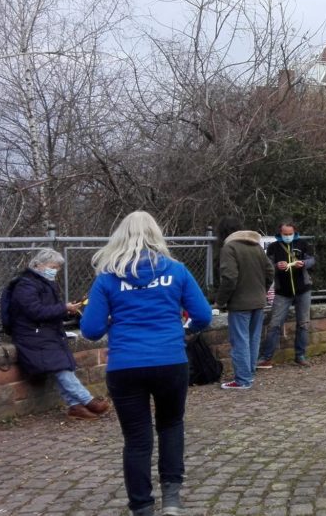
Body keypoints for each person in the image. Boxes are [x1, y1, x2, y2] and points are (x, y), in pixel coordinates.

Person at [81, 211, 213, 516]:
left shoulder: (107, 278)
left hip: (125, 364)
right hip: (169, 359)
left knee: (137, 438)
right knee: (170, 425)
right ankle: (172, 499)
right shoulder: (176, 271)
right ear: (157, 235)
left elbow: (90, 330)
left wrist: (115, 319)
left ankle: (141, 506)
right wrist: (183, 330)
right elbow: (204, 316)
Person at [5, 249, 110, 420]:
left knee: (61, 367)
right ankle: (88, 400)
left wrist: (68, 311)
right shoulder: (25, 285)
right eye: (53, 267)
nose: (55, 271)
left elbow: (48, 310)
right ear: (39, 265)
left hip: (45, 333)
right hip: (32, 335)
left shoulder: (42, 283)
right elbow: (35, 311)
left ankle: (75, 406)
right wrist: (63, 308)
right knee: (61, 368)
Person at [215, 220, 273, 390]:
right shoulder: (255, 247)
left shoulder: (229, 248)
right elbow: (270, 272)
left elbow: (229, 277)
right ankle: (249, 375)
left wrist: (220, 301)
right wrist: (263, 290)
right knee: (253, 340)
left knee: (240, 342)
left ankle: (242, 380)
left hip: (240, 303)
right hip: (258, 301)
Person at [258, 220, 314, 368]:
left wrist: (304, 263)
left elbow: (312, 260)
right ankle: (266, 357)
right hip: (282, 291)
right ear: (280, 233)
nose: (288, 236)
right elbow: (268, 266)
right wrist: (277, 266)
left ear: (295, 233)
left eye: (290, 234)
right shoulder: (273, 247)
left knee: (303, 323)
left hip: (303, 289)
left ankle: (300, 355)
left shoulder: (303, 244)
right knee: (274, 324)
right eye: (285, 234)